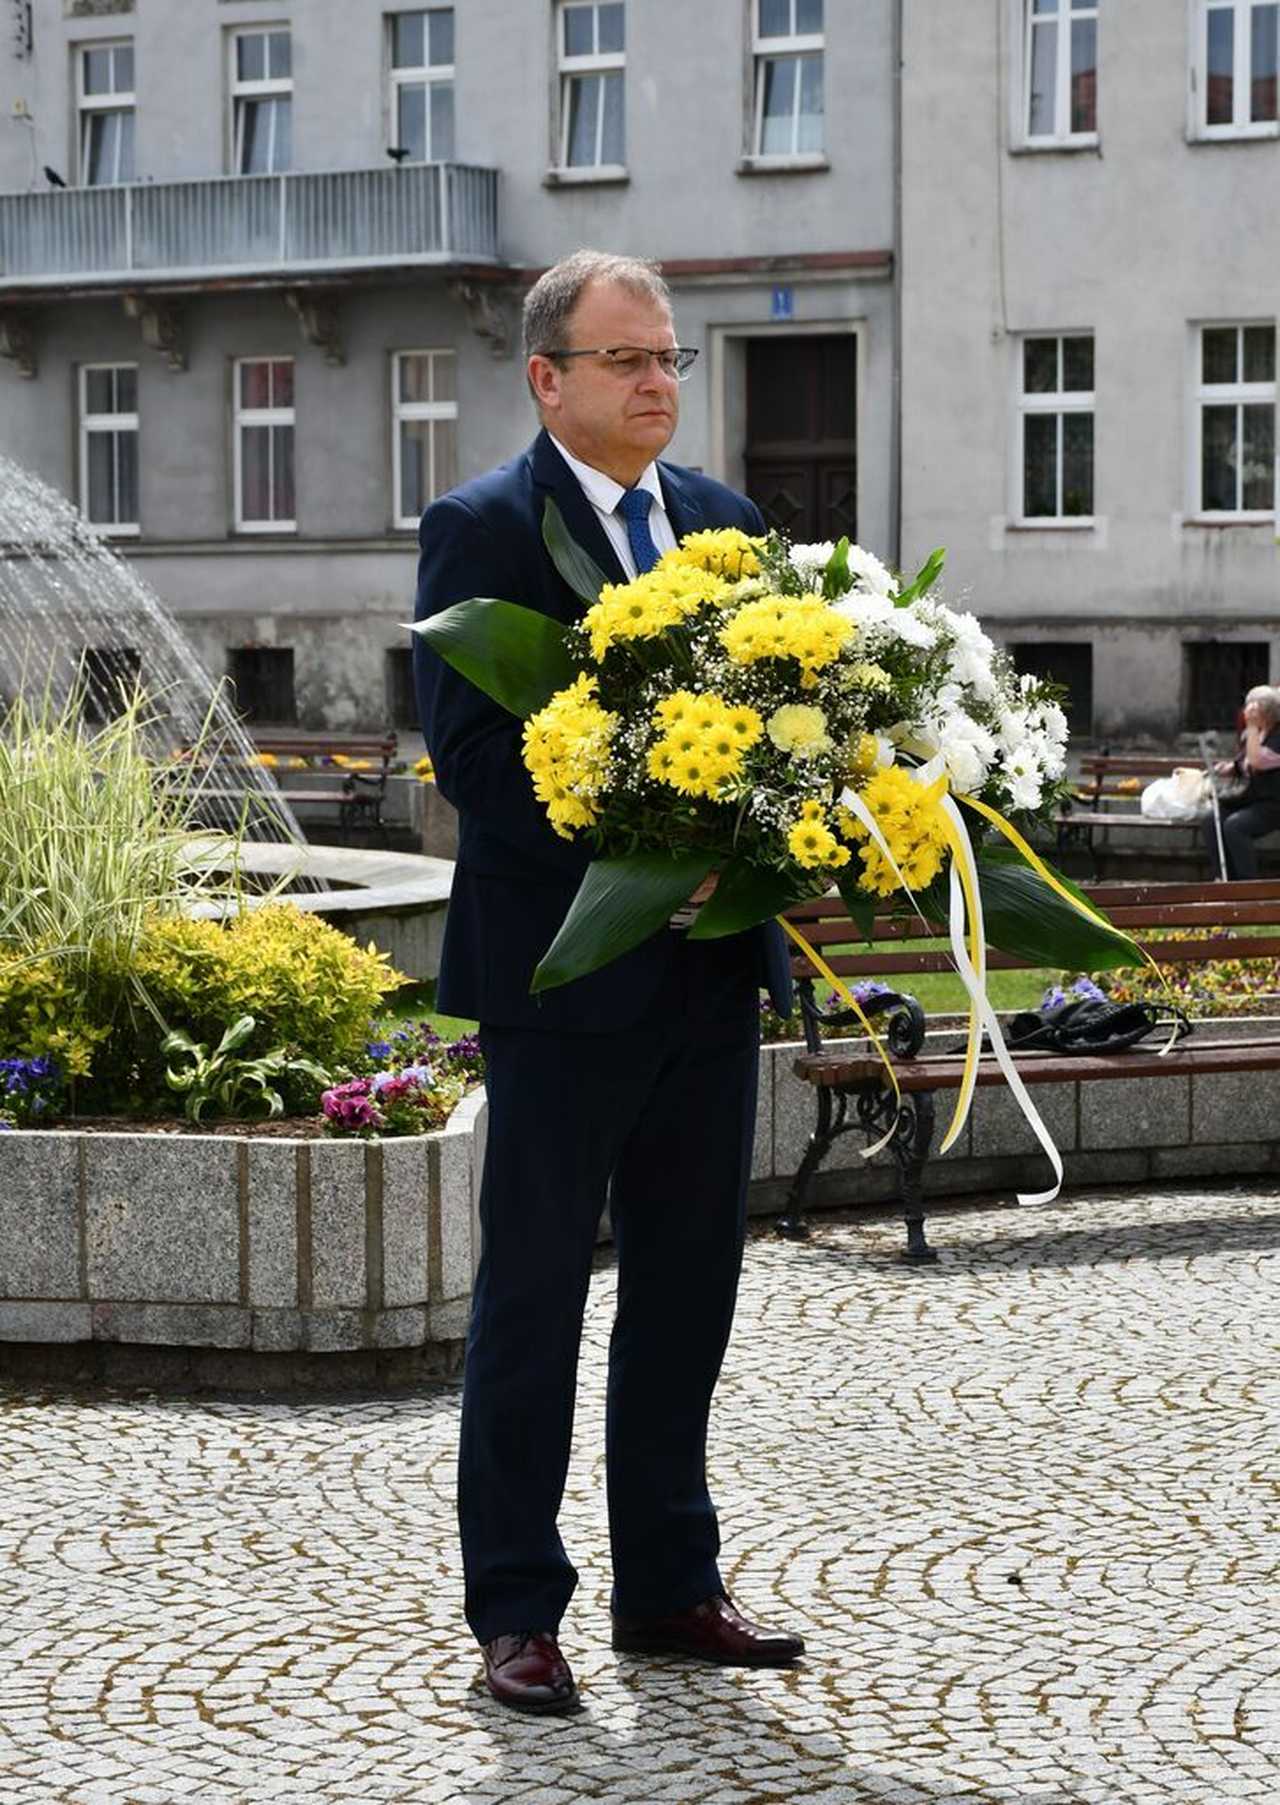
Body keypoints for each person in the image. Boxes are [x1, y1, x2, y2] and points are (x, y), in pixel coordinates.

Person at [412, 249, 802, 1715]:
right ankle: (515, 1608)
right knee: (535, 1302)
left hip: (709, 982)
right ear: (548, 377)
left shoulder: (725, 523)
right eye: (628, 361)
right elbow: (476, 761)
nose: (658, 385)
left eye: (670, 360)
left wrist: (777, 839)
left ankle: (670, 1588)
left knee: (689, 1293)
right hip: (559, 979)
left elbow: (778, 725)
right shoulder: (480, 530)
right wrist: (650, 856)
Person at [1205, 684, 1280, 880]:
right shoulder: (1258, 732)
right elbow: (1247, 762)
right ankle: (1224, 878)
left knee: (1235, 826)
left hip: (1273, 804)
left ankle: (1247, 884)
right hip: (1252, 798)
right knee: (1212, 819)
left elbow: (1258, 761)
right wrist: (1232, 767)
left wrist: (1252, 727)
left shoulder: (1272, 735)